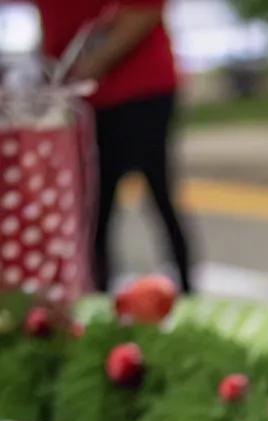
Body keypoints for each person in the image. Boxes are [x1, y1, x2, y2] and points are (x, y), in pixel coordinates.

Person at [35, 2, 193, 293]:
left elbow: (144, 11)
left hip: (137, 90)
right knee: (90, 207)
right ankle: (94, 295)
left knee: (154, 193)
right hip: (76, 100)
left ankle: (187, 292)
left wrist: (91, 63)